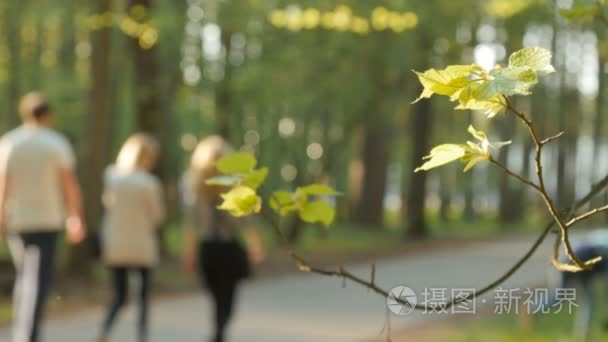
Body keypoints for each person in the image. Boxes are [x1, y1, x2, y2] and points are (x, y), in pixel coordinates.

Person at [0, 92, 87, 342]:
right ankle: (29, 335)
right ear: (47, 115)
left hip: (19, 221)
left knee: (25, 276)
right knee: (38, 279)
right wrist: (75, 217)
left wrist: (1, 218)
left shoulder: (9, 143)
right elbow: (70, 185)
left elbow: (3, 185)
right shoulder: (56, 143)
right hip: (48, 219)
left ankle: (21, 332)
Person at [181, 135, 264, 342]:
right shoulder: (195, 190)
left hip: (221, 248)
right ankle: (218, 332)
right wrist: (189, 253)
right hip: (218, 249)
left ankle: (218, 333)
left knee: (222, 298)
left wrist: (255, 244)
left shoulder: (235, 188)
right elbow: (191, 225)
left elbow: (246, 221)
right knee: (223, 298)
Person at [96, 133, 165, 342]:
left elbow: (107, 205)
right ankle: (142, 337)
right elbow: (157, 216)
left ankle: (104, 331)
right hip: (141, 243)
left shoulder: (111, 177)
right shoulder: (149, 183)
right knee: (143, 296)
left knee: (119, 295)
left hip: (115, 242)